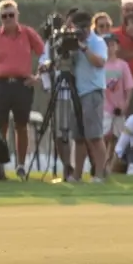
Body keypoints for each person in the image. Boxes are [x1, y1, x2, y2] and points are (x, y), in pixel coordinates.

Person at [0, 0, 43, 172]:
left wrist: (38, 77)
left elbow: (45, 55)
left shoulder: (28, 33)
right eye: (4, 16)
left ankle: (20, 165)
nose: (8, 19)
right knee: (0, 125)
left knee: (21, 125)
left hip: (22, 84)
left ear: (17, 15)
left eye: (11, 15)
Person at [56, 10, 108, 182]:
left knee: (94, 135)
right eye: (78, 28)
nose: (82, 32)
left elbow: (100, 62)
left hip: (92, 91)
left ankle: (99, 173)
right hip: (77, 92)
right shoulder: (73, 42)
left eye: (84, 28)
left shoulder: (97, 41)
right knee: (78, 137)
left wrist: (83, 48)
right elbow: (64, 63)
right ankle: (77, 174)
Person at [101, 38, 133, 159]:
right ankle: (100, 161)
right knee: (103, 135)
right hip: (104, 106)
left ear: (117, 47)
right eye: (107, 45)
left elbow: (129, 87)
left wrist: (126, 104)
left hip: (119, 106)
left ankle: (111, 162)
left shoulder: (122, 65)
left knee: (117, 136)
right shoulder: (100, 64)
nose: (109, 48)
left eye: (112, 45)